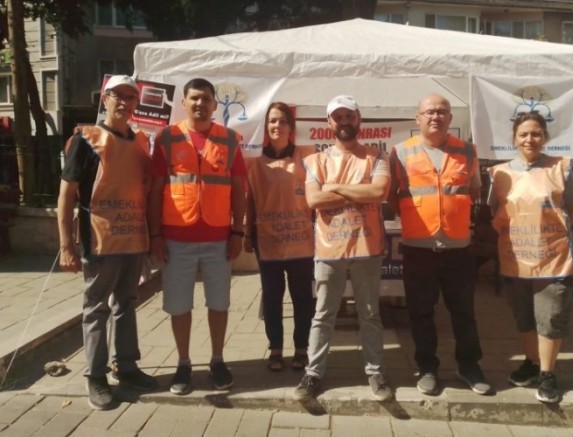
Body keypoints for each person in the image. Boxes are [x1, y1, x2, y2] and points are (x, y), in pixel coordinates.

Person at [57, 75, 158, 410]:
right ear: (105, 98)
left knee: (126, 303)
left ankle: (126, 367)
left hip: (133, 238)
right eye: (118, 96)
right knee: (97, 308)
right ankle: (96, 377)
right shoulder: (87, 140)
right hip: (100, 241)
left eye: (131, 97)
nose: (125, 102)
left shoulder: (140, 142)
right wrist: (66, 245)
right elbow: (66, 195)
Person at [387, 93, 493, 396]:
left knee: (464, 313)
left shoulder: (468, 151)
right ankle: (427, 368)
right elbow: (392, 196)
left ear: (450, 117)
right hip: (418, 250)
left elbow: (473, 191)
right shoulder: (400, 152)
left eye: (442, 111)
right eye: (429, 112)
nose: (436, 116)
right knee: (421, 313)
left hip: (458, 250)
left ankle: (469, 366)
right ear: (418, 118)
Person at [148, 78, 246, 396]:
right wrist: (155, 236)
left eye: (205, 98)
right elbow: (154, 190)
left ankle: (217, 360)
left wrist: (238, 231)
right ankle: (184, 364)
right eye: (194, 98)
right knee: (179, 305)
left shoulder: (229, 140)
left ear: (214, 103)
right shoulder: (166, 138)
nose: (200, 103)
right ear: (184, 103)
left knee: (219, 303)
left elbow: (239, 190)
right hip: (176, 240)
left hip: (219, 239)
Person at [293, 95, 393, 402]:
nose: (344, 122)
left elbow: (379, 191)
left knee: (369, 314)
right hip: (329, 251)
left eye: (349, 115)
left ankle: (375, 372)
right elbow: (314, 200)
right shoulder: (316, 160)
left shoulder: (377, 156)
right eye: (338, 117)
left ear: (358, 118)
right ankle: (313, 374)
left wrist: (334, 187)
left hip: (367, 248)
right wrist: (359, 192)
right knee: (323, 315)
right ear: (329, 123)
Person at [487, 112, 573, 404]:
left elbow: (572, 208)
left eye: (536, 133)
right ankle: (531, 363)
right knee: (524, 316)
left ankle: (547, 374)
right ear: (514, 139)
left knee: (550, 318)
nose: (530, 139)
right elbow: (495, 211)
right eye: (524, 134)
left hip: (553, 260)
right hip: (515, 259)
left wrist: (548, 235)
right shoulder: (499, 173)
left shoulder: (561, 168)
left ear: (545, 137)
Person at [244, 102, 315, 371]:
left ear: (291, 126)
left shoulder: (306, 155)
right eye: (272, 121)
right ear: (265, 126)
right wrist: (246, 233)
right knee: (272, 297)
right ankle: (275, 349)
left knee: (302, 298)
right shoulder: (254, 161)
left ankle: (301, 348)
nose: (277, 126)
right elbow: (250, 200)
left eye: (283, 121)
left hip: (301, 242)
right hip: (268, 241)